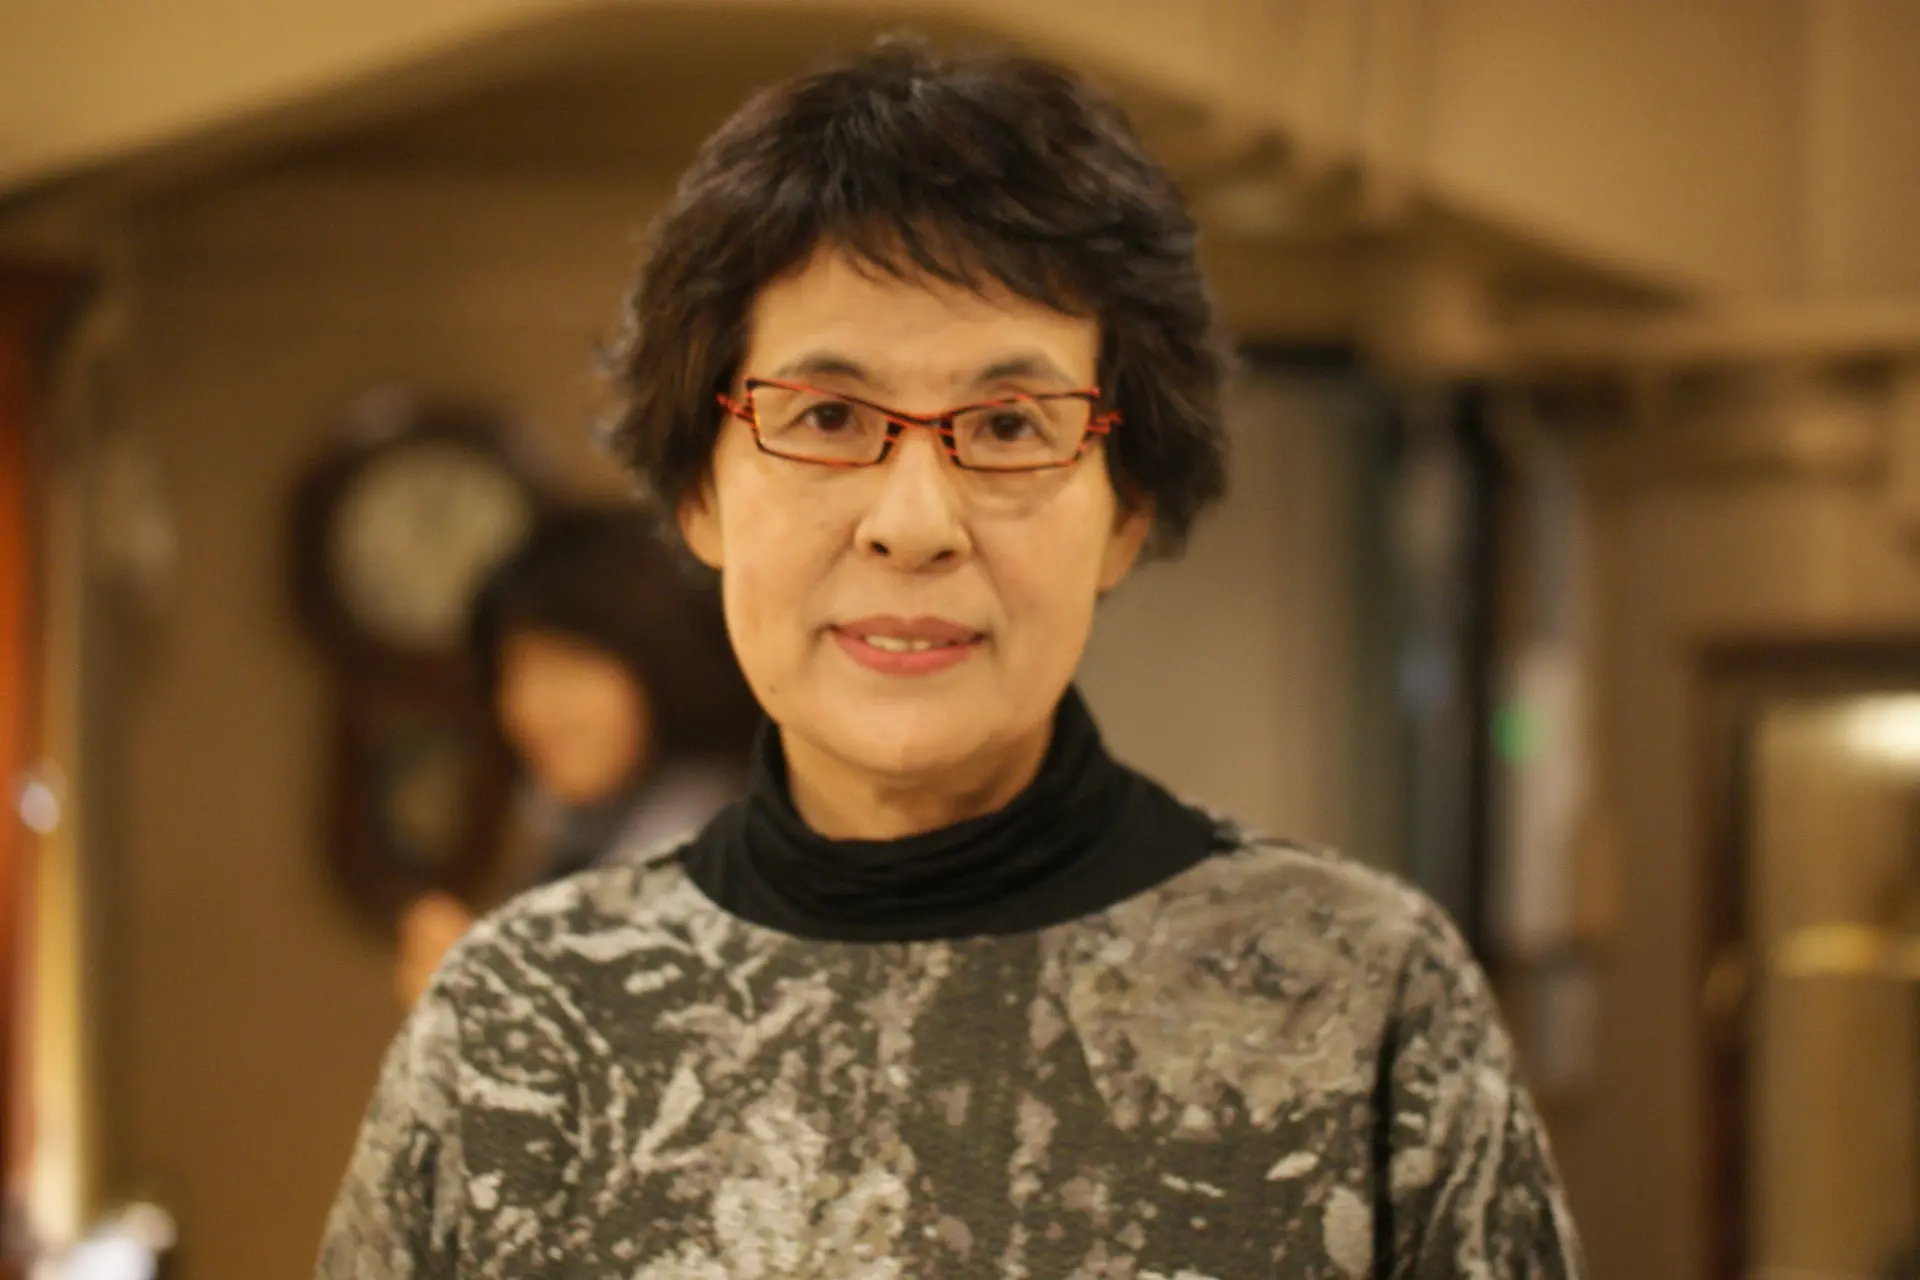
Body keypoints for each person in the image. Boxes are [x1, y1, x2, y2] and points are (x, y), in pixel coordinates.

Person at [320, 39, 1585, 1278]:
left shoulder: (1360, 999)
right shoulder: (523, 1020)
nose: (915, 520)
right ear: (700, 491)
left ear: (1126, 506)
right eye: (828, 416)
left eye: (1008, 423)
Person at [393, 504, 758, 1006]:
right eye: (510, 674)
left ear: (659, 660)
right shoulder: (579, 834)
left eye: (563, 669)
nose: (525, 707)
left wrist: (482, 1009)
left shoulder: (715, 852)